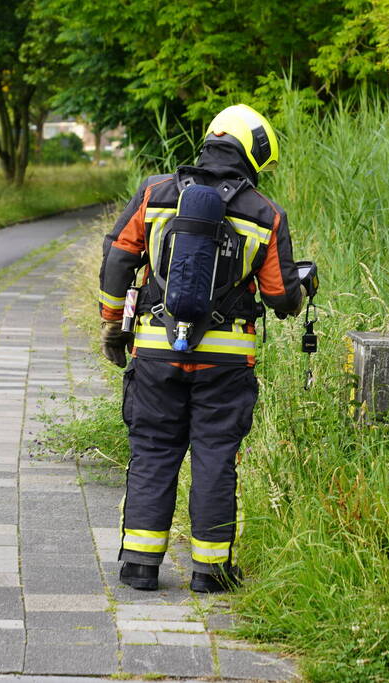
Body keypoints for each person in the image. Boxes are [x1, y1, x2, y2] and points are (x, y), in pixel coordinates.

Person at [98, 104, 307, 593]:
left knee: (152, 450)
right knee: (214, 454)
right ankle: (211, 572)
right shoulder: (265, 213)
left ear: (212, 138)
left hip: (154, 348)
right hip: (226, 359)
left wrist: (112, 324)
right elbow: (280, 297)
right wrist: (302, 289)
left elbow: (117, 261)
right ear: (253, 154)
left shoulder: (156, 192)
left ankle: (139, 565)